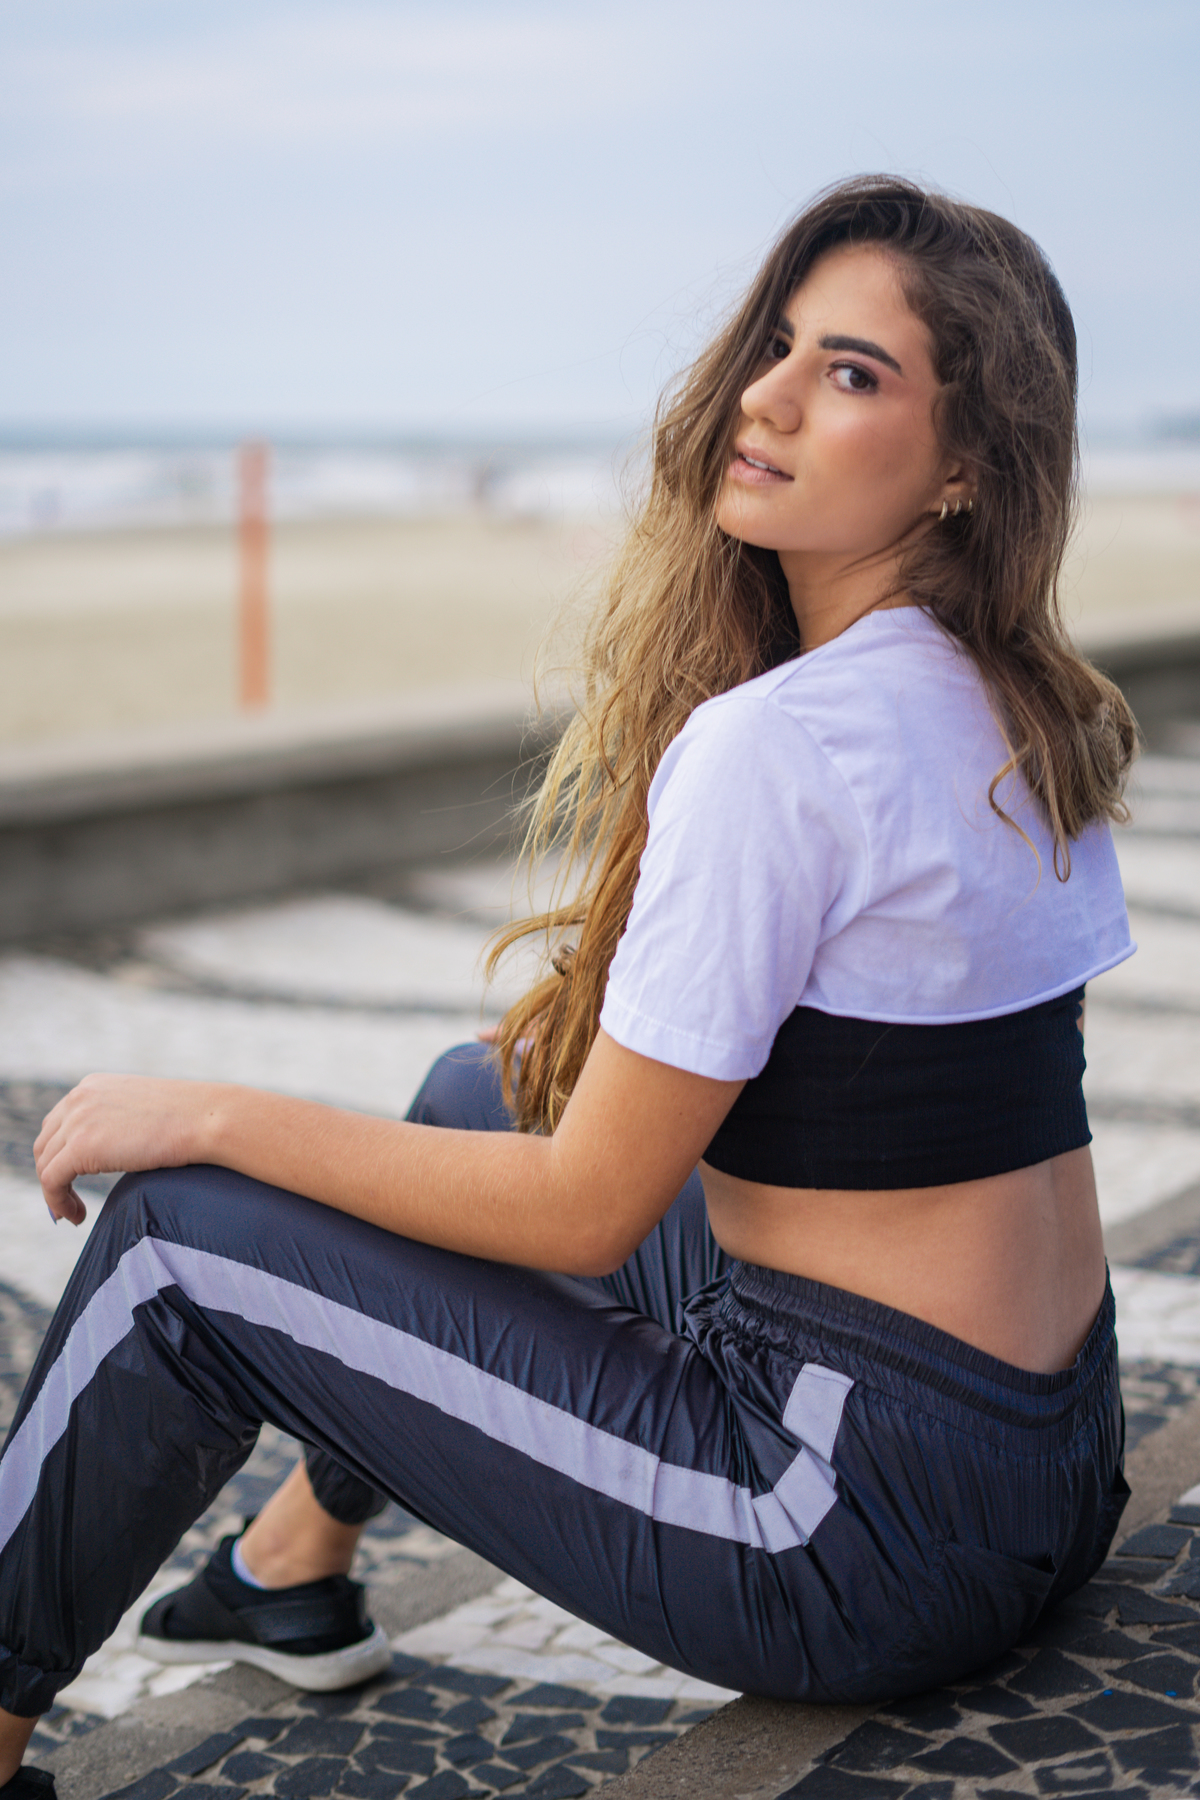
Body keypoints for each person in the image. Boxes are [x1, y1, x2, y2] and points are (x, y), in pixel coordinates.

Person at [0, 175, 1138, 1794]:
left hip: (847, 1530)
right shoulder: (1014, 705)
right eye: (783, 347)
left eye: (854, 373)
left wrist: (216, 1113)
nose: (767, 395)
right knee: (488, 1090)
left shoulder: (779, 746)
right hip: (1048, 1462)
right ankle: (287, 1568)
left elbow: (585, 1218)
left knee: (182, 1246)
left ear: (967, 469)